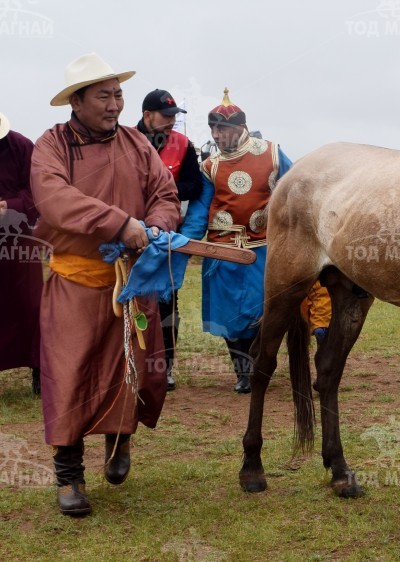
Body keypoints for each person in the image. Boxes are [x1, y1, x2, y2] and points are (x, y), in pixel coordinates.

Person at [30, 53, 180, 516]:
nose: (115, 104)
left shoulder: (137, 144)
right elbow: (56, 201)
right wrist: (119, 224)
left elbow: (165, 195)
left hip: (133, 282)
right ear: (76, 101)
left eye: (118, 94)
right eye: (103, 95)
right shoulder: (50, 146)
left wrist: (152, 227)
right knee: (69, 372)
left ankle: (119, 443)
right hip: (77, 281)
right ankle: (68, 475)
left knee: (131, 367)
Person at [180, 89, 292, 393]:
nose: (216, 134)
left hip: (263, 248)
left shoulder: (272, 154)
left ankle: (260, 362)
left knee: (260, 310)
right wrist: (179, 243)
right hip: (221, 253)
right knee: (230, 316)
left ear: (240, 127)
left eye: (222, 128)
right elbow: (199, 213)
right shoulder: (209, 167)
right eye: (213, 128)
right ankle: (243, 372)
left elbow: (296, 192)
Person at [135, 88, 201, 391]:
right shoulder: (124, 140)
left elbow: (194, 186)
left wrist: (165, 187)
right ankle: (129, 361)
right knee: (128, 299)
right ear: (148, 115)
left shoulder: (184, 145)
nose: (172, 122)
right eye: (166, 116)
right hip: (129, 234)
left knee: (165, 302)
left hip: (167, 237)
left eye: (175, 116)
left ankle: (166, 367)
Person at [0, 111, 42, 396]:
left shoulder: (21, 146)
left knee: (31, 306)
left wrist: (9, 205)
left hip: (18, 243)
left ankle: (41, 370)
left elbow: (39, 192)